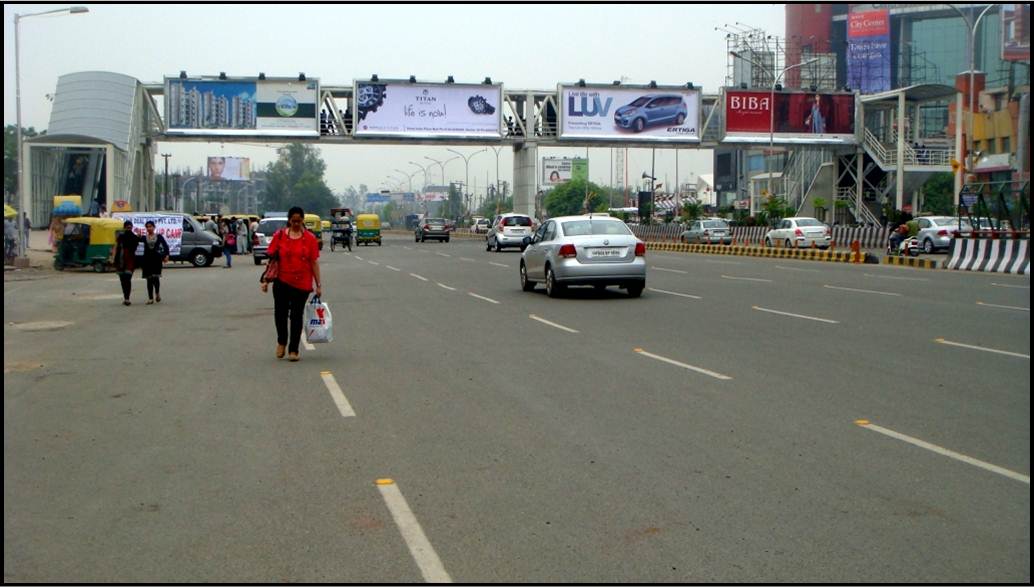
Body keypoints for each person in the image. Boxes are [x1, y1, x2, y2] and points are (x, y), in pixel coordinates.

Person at [265, 206, 322, 362]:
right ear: (289, 220)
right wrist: (265, 279)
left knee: (296, 316)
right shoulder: (279, 236)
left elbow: (314, 262)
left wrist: (319, 285)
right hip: (282, 281)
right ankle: (281, 341)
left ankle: (294, 349)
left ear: (303, 220)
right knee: (280, 314)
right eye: (293, 221)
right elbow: (272, 258)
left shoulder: (310, 239)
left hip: (302, 283)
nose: (296, 223)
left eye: (299, 220)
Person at [139, 220, 169, 304]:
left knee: (156, 278)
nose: (149, 228)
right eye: (147, 227)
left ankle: (157, 293)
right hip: (147, 260)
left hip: (156, 259)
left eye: (150, 226)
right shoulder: (144, 238)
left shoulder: (159, 236)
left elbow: (165, 246)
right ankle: (150, 298)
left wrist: (166, 255)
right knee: (149, 279)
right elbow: (134, 240)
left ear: (154, 227)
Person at [113, 220, 140, 306]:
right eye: (127, 226)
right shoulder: (120, 236)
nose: (129, 227)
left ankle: (127, 298)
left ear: (132, 227)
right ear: (124, 227)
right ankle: (126, 298)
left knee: (127, 279)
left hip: (130, 260)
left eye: (130, 226)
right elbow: (116, 246)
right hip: (120, 259)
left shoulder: (134, 237)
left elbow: (136, 246)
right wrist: (113, 258)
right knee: (122, 280)